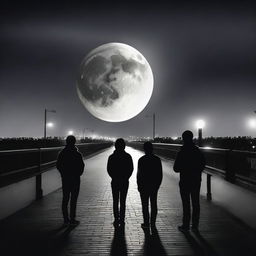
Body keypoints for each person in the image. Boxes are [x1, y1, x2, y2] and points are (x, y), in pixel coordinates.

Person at [173, 130, 205, 232]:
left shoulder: (181, 152)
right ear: (192, 138)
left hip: (185, 180)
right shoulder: (197, 151)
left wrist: (184, 167)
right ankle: (195, 225)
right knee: (196, 203)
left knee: (186, 203)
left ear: (183, 139)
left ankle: (185, 225)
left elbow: (176, 168)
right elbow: (202, 165)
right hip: (195, 180)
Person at [56, 135, 85, 226]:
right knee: (73, 199)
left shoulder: (62, 153)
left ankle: (65, 219)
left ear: (66, 142)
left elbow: (58, 165)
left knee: (65, 198)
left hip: (66, 178)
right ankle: (72, 218)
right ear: (74, 142)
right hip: (75, 178)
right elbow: (81, 166)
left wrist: (63, 174)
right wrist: (78, 174)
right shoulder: (77, 154)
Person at [107, 138, 133, 227]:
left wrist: (114, 177)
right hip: (124, 181)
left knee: (115, 200)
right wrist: (126, 177)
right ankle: (122, 219)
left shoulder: (111, 157)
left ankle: (116, 218)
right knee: (123, 201)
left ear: (115, 146)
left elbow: (109, 169)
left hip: (115, 181)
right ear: (124, 146)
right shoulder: (128, 156)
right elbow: (131, 169)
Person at [137, 142, 163, 229]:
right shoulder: (157, 159)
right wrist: (158, 184)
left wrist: (139, 185)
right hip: (154, 185)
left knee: (145, 205)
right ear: (152, 149)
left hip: (144, 185)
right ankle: (153, 222)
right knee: (153, 204)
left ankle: (146, 222)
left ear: (144, 149)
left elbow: (139, 174)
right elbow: (160, 174)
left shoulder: (141, 160)